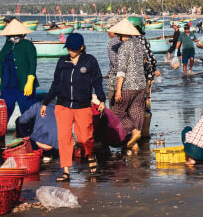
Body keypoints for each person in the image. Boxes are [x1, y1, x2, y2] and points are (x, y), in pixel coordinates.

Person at [39, 33, 106, 181]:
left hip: (82, 105)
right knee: (64, 138)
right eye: (68, 48)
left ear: (81, 47)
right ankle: (66, 171)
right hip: (63, 105)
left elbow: (97, 81)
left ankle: (90, 156)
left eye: (73, 48)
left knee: (85, 138)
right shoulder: (62, 61)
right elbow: (55, 84)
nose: (70, 50)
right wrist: (45, 102)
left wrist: (102, 99)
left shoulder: (90, 61)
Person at [0, 19, 38, 147]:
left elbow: (33, 63)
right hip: (7, 85)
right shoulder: (7, 45)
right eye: (9, 36)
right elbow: (1, 58)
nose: (12, 38)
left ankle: (30, 140)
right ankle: (0, 140)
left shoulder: (28, 45)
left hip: (23, 85)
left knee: (27, 113)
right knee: (3, 113)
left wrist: (30, 80)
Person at [107, 19, 148, 152]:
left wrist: (118, 89)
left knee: (117, 112)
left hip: (128, 85)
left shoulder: (124, 47)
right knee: (136, 112)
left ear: (120, 34)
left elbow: (121, 70)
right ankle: (134, 143)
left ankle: (134, 131)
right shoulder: (139, 43)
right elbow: (145, 60)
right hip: (141, 84)